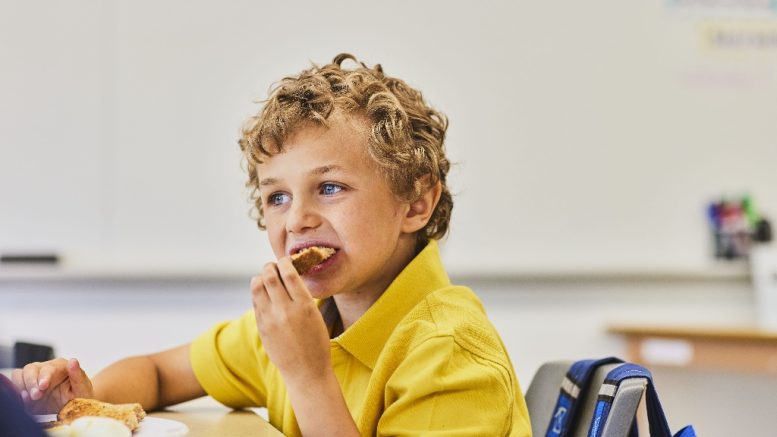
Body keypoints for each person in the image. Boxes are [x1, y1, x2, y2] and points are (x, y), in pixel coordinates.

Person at [11, 53, 532, 436]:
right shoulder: (308, 317)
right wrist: (91, 400)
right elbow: (157, 373)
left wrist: (307, 373)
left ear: (416, 204)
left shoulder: (450, 356)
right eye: (277, 196)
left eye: (330, 188)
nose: (298, 220)